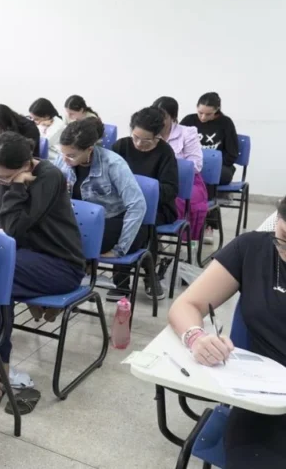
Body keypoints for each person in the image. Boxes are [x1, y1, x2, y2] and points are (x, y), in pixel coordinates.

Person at [167, 196, 286, 469]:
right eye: (284, 238)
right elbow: (186, 305)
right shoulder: (252, 249)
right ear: (277, 219)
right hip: (263, 406)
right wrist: (197, 339)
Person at [0, 132, 86, 409]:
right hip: (25, 258)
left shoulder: (48, 177)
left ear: (26, 166)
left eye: (4, 177)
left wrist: (15, 187)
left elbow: (14, 226)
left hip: (60, 263)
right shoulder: (3, 175)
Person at [54, 120, 151, 300]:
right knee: (48, 236)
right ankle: (69, 278)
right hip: (79, 222)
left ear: (89, 150)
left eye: (72, 156)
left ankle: (73, 279)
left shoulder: (113, 163)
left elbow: (137, 206)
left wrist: (120, 249)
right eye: (63, 153)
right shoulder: (63, 160)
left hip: (115, 222)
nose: (65, 160)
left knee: (68, 240)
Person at [111, 107, 179, 300]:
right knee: (119, 220)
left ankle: (148, 275)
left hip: (157, 207)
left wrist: (142, 191)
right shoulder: (121, 147)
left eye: (146, 140)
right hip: (122, 205)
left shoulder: (165, 152)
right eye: (136, 137)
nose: (139, 144)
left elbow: (170, 190)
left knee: (141, 222)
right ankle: (122, 281)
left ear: (158, 137)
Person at [153, 96, 208, 242]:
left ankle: (158, 235)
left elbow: (196, 164)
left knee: (172, 198)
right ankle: (150, 236)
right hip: (157, 179)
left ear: (173, 117)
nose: (158, 120)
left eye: (163, 116)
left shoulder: (187, 133)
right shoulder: (150, 133)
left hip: (186, 181)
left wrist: (168, 168)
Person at [180, 92, 238, 186]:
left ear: (216, 110)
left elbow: (232, 153)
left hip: (219, 166)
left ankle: (204, 193)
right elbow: (177, 144)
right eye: (200, 113)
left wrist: (212, 163)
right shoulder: (189, 120)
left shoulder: (226, 123)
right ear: (196, 107)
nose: (203, 117)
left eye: (208, 114)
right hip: (193, 163)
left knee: (212, 174)